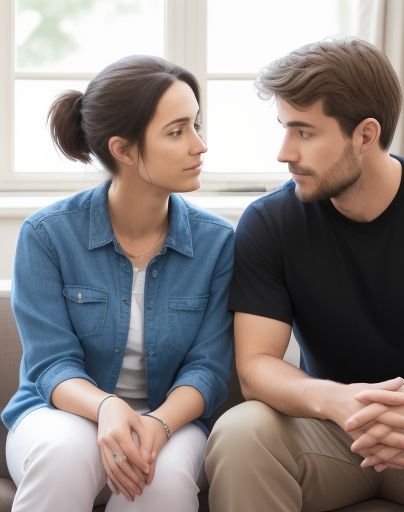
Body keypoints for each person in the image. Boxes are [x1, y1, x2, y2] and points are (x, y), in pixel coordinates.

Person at [204, 38, 404, 511]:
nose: (285, 153)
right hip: (325, 437)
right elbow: (256, 367)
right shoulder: (271, 221)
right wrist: (335, 402)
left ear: (365, 135)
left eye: (304, 132)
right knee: (241, 430)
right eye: (285, 129)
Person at [2, 55, 234, 512]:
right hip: (60, 413)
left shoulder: (218, 243)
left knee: (162, 479)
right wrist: (107, 407)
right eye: (177, 131)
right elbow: (51, 365)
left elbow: (209, 369)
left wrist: (159, 425)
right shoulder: (47, 235)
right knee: (63, 453)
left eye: (197, 125)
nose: (200, 145)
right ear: (123, 150)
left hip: (170, 419)